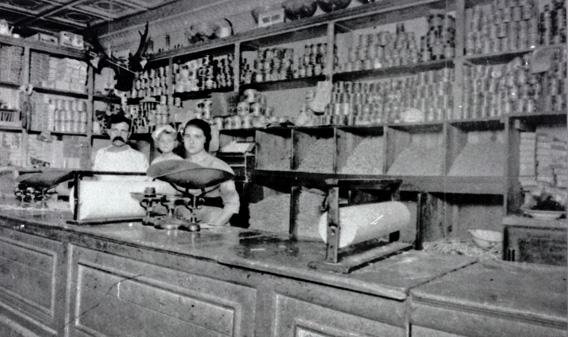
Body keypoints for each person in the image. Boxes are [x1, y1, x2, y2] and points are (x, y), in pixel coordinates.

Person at [181, 118, 239, 226]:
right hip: (187, 221)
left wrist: (213, 227)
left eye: (197, 136)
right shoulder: (179, 166)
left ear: (206, 139)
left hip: (214, 221)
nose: (191, 141)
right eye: (187, 136)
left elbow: (232, 204)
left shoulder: (220, 167)